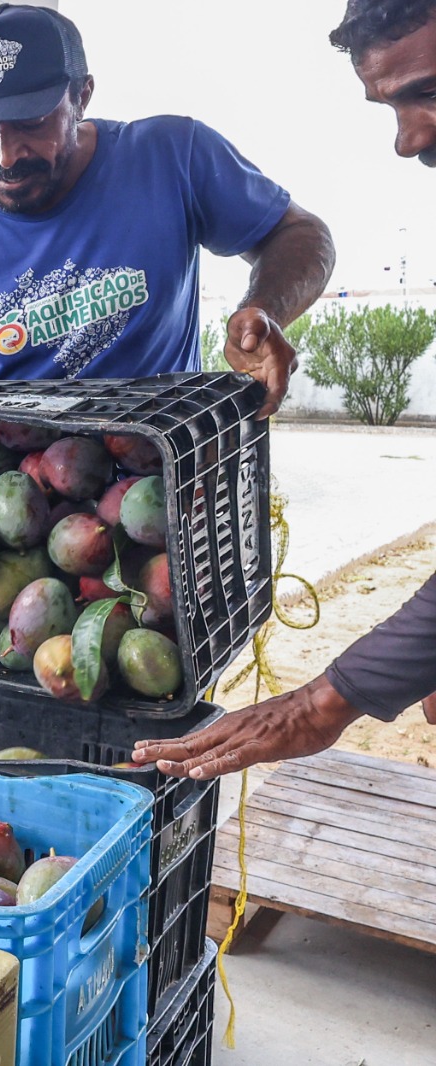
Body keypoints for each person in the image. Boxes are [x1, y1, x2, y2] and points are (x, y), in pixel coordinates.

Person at [0, 3, 336, 628]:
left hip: (148, 505)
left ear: (83, 95)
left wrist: (264, 309)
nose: (5, 153)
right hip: (4, 519)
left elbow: (301, 234)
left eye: (30, 123)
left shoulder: (170, 157)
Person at [136, 0, 436, 780]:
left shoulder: (171, 154)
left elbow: (299, 234)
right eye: (392, 106)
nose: (409, 139)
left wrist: (323, 703)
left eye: (427, 91)